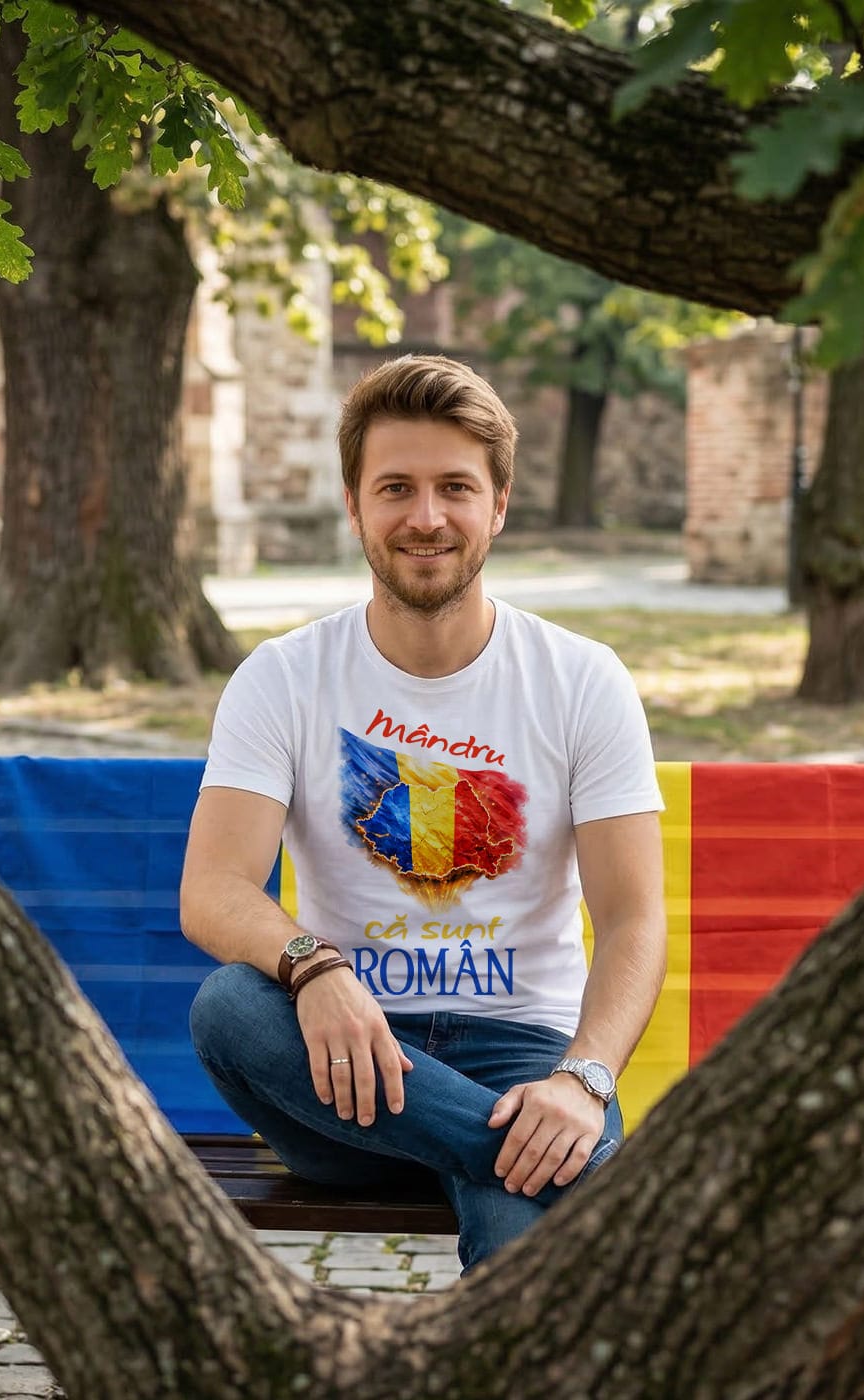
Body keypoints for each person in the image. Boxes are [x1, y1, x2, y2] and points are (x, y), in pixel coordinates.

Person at [180, 354, 666, 1272]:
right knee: (230, 1006)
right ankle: (586, 1172)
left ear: (500, 504)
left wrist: (582, 1080)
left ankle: (514, 1150)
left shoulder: (581, 679)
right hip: (344, 1072)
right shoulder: (283, 677)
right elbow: (212, 890)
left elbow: (634, 919)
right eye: (396, 488)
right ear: (354, 506)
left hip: (527, 1057)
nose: (427, 517)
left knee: (523, 1245)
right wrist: (315, 968)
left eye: (456, 488)